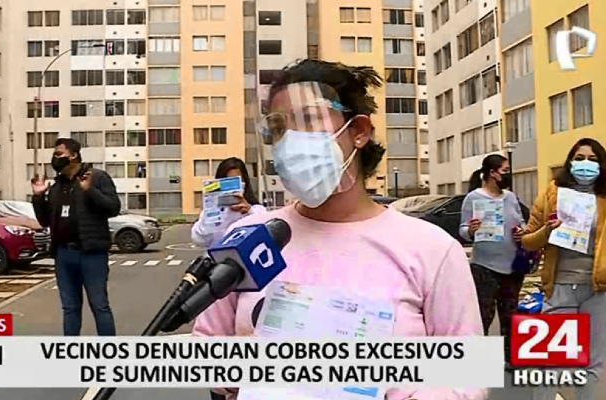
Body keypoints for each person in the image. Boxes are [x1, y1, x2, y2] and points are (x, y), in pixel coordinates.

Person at [193, 59, 486, 400]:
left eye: (309, 119)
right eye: (278, 128)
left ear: (359, 131)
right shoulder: (248, 237)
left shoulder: (431, 249)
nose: (290, 141)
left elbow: (467, 376)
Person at [522, 138, 606, 400]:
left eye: (593, 160)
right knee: (550, 364)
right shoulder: (552, 193)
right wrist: (547, 231)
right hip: (559, 288)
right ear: (570, 162)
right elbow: (527, 240)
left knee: (593, 365)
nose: (585, 165)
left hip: (599, 291)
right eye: (579, 158)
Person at [32, 138, 120, 336]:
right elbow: (45, 220)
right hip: (63, 254)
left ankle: (109, 349)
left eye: (58, 154)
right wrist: (38, 197)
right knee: (70, 307)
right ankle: (71, 349)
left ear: (73, 155)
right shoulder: (57, 186)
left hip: (91, 253)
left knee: (99, 304)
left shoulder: (97, 177)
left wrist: (90, 191)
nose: (55, 158)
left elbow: (113, 208)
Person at [459, 154, 526, 366]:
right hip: (484, 266)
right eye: (505, 170)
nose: (508, 174)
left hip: (512, 266)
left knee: (510, 315)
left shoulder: (511, 198)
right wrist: (471, 230)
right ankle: (479, 361)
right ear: (492, 173)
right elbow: (462, 230)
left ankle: (510, 359)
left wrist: (521, 232)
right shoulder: (473, 198)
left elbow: (521, 221)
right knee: (483, 315)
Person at [191, 157, 266, 248]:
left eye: (236, 181)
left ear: (244, 183)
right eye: (226, 181)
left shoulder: (258, 210)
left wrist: (250, 213)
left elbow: (265, 236)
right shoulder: (210, 212)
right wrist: (209, 216)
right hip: (217, 256)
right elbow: (198, 240)